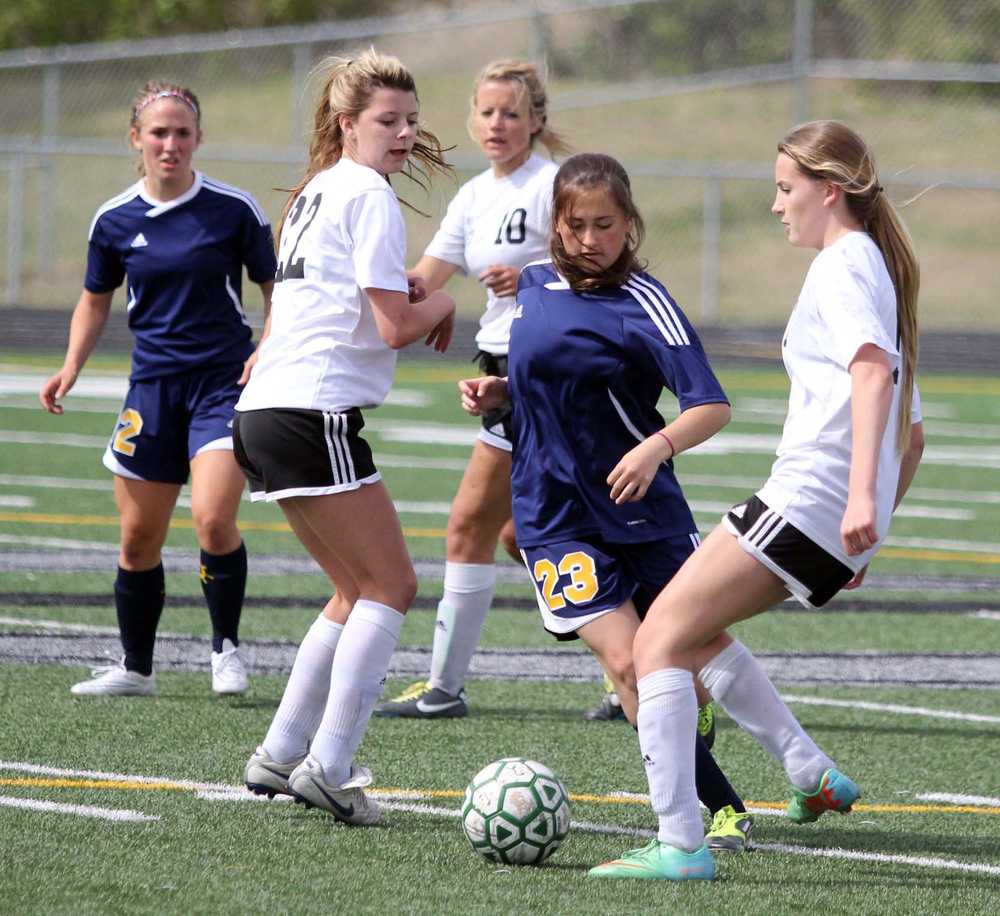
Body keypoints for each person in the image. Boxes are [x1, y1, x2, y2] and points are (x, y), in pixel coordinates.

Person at [590, 120, 925, 882]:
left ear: (828, 191)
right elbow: (914, 438)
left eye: (785, 189)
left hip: (808, 498)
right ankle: (807, 771)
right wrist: (865, 533)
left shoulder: (844, 266)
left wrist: (855, 507)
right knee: (692, 631)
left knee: (657, 644)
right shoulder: (875, 269)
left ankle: (681, 844)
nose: (777, 206)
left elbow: (874, 380)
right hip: (823, 514)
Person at [458, 152, 754, 852]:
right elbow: (537, 387)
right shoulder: (531, 286)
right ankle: (716, 808)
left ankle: (763, 753)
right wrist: (498, 394)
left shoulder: (646, 301)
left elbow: (710, 405)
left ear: (630, 224)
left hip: (641, 511)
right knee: (629, 665)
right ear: (554, 226)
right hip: (551, 516)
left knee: (689, 658)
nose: (590, 239)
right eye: (576, 224)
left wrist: (656, 448)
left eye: (605, 225)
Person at [236, 49, 456, 826]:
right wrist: (446, 300)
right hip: (311, 411)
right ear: (346, 122)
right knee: (393, 587)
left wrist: (415, 294)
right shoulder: (366, 194)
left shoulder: (318, 191)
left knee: (353, 590)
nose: (403, 135)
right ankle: (328, 767)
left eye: (410, 120)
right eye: (387, 121)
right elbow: (393, 326)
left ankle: (281, 749)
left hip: (266, 410)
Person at [40, 80, 276, 697]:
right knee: (138, 537)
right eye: (158, 133)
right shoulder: (114, 219)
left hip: (222, 385)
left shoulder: (234, 210)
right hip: (151, 390)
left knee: (213, 518)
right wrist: (71, 368)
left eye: (182, 133)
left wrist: (268, 349)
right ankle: (136, 668)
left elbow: (277, 290)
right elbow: (94, 302)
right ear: (136, 139)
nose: (170, 144)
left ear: (198, 138)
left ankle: (225, 650)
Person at [374, 59, 570, 720]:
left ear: (537, 121)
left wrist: (538, 282)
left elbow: (604, 268)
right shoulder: (476, 194)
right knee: (526, 534)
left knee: (468, 526)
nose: (497, 124)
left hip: (542, 367)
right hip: (501, 362)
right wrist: (362, 276)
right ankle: (630, 663)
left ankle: (444, 689)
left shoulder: (554, 186)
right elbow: (426, 278)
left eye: (511, 112)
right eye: (486, 112)